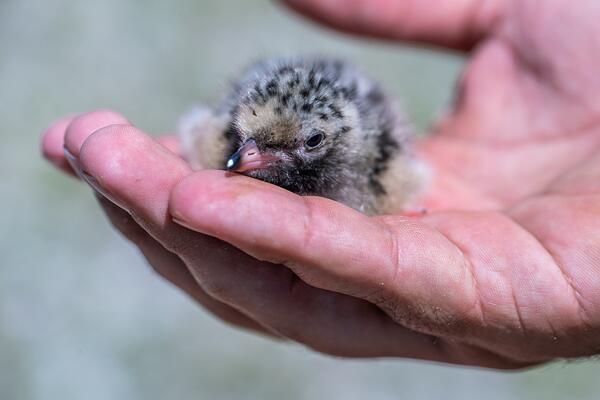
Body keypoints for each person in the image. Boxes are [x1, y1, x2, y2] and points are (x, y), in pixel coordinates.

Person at [41, 0, 600, 369]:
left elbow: (398, 171)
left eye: (296, 146)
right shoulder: (229, 143)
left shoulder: (377, 167)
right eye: (248, 139)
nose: (247, 157)